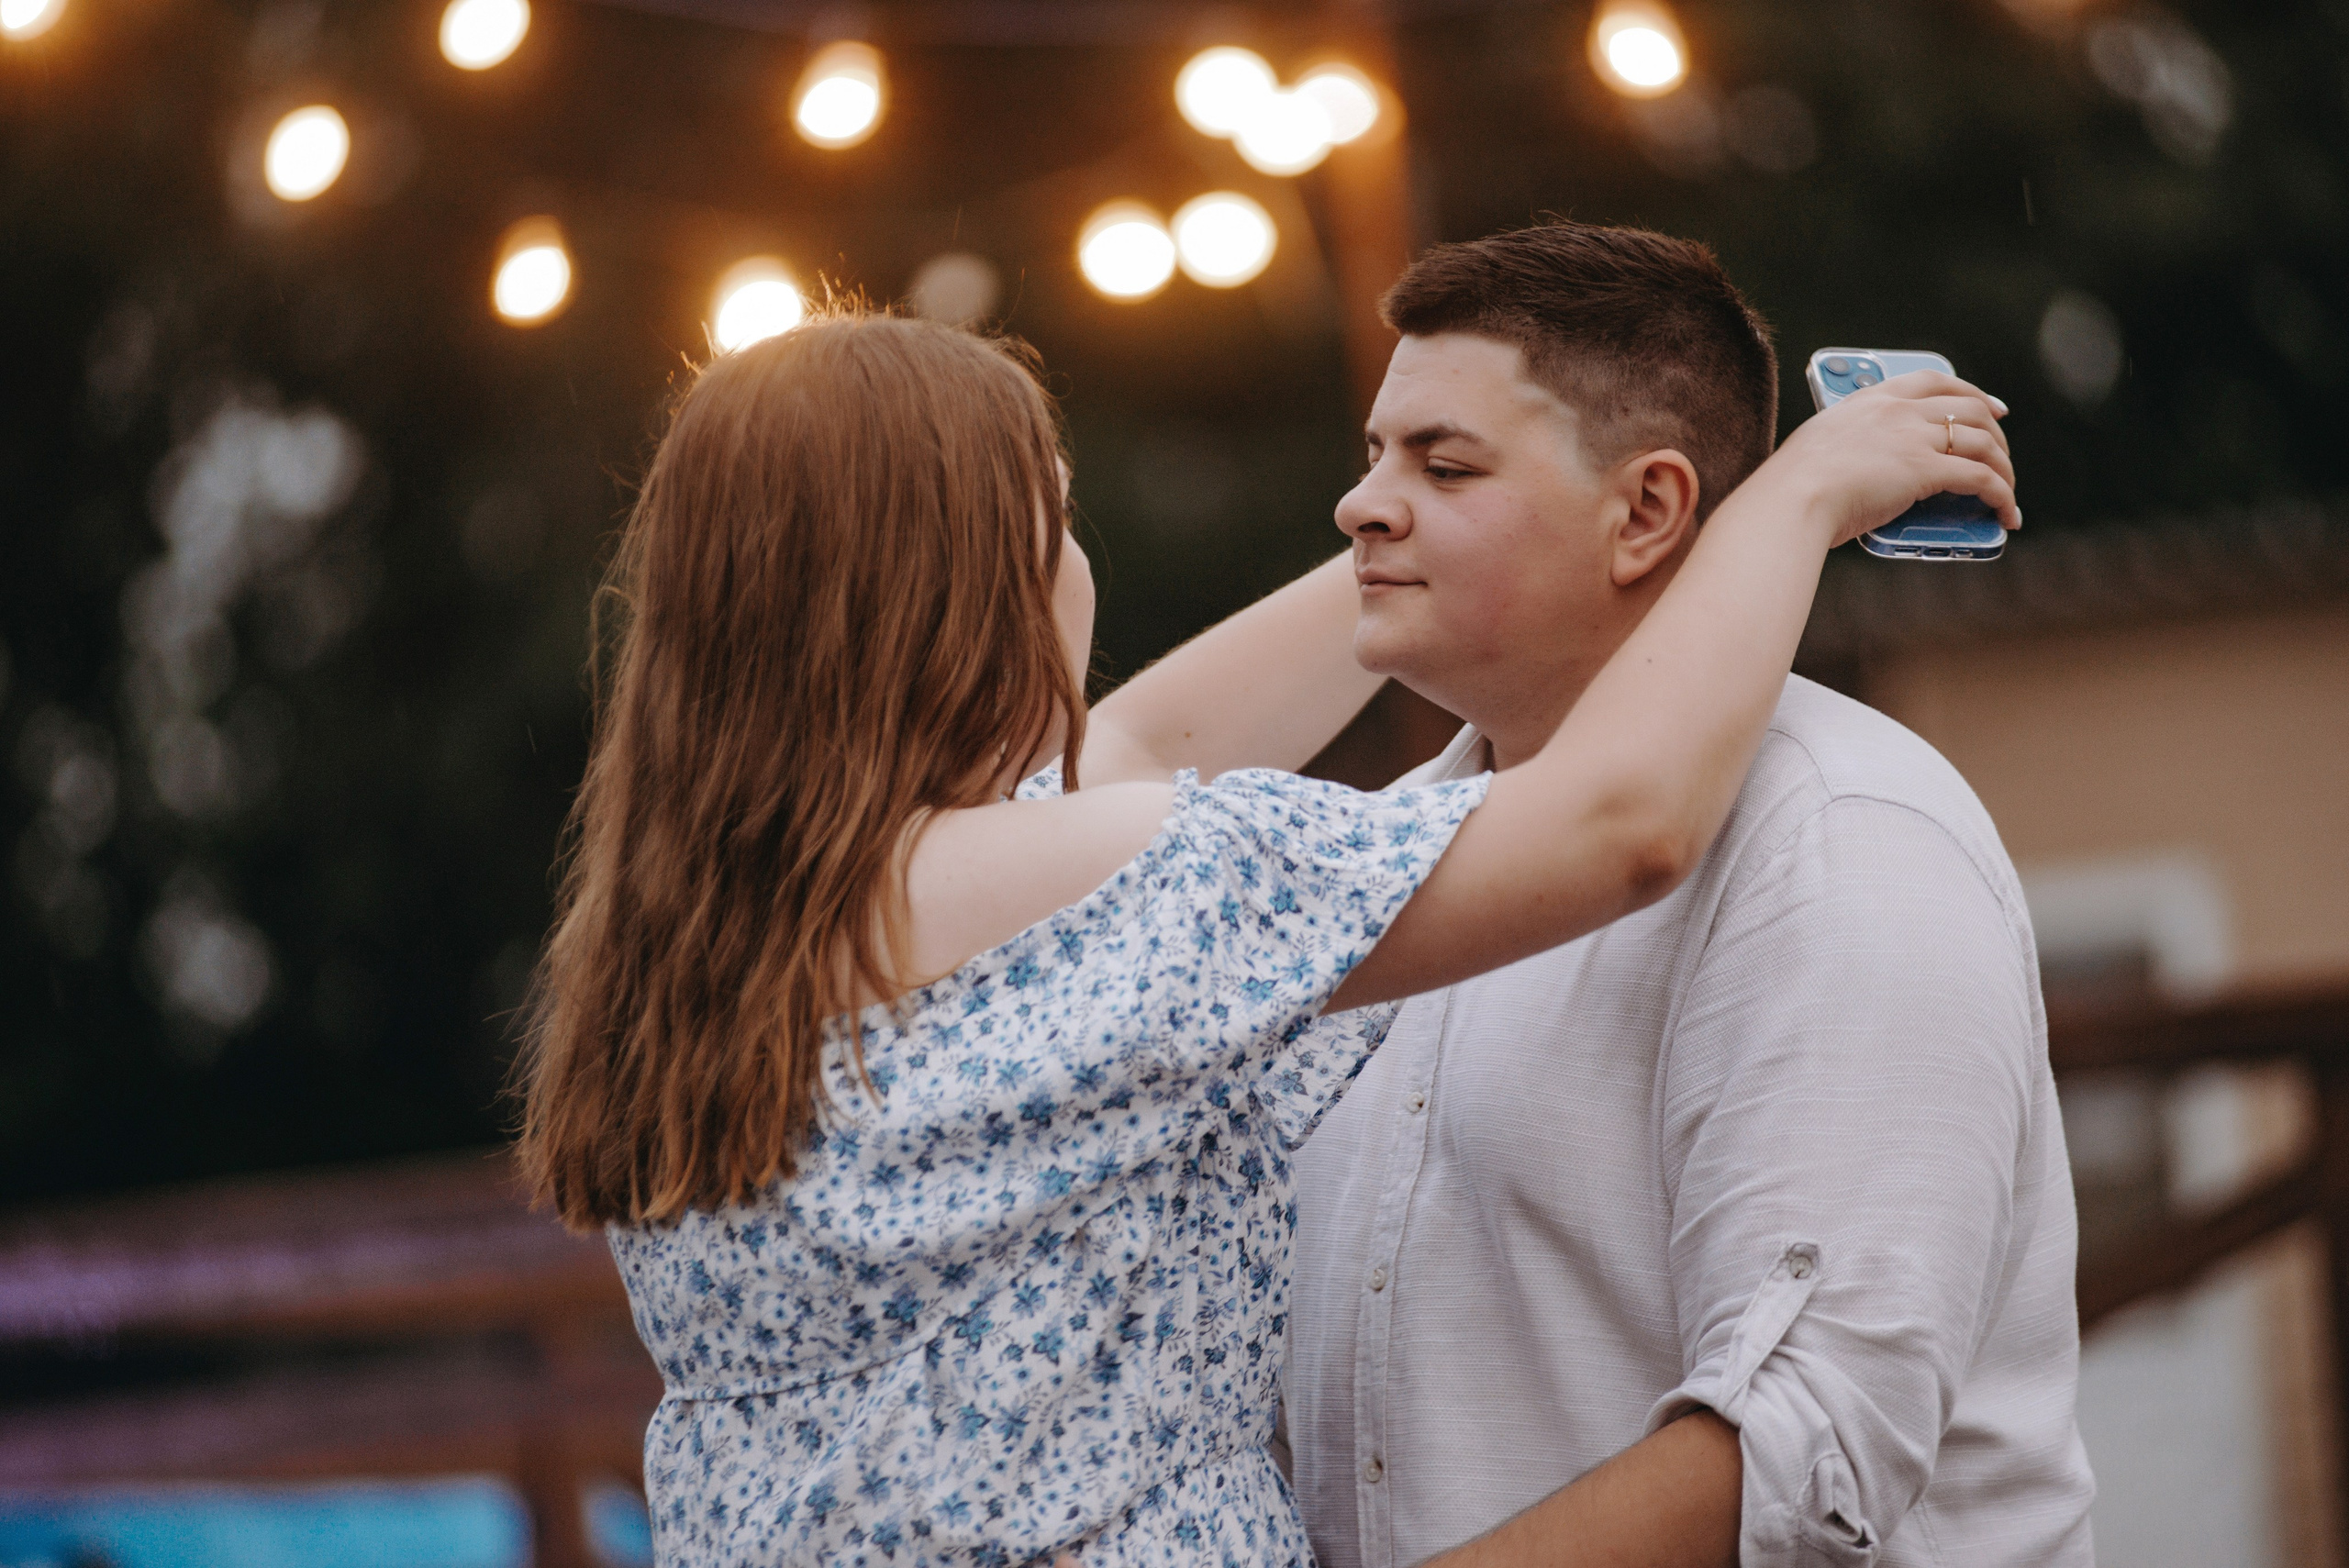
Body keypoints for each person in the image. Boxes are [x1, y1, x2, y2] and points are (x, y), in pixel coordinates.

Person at [510, 306, 2015, 1567]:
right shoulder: (1134, 880)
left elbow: (1145, 737)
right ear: (970, 589)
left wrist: (1447, 521)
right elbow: (1623, 820)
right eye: (1055, 517)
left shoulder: (704, 951)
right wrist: (1801, 495)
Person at [1280, 222, 2094, 1568]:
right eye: (1373, 456)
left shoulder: (1843, 837)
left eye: (1443, 461)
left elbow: (1811, 1452)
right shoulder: (1372, 856)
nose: (1360, 506)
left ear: (1649, 510)